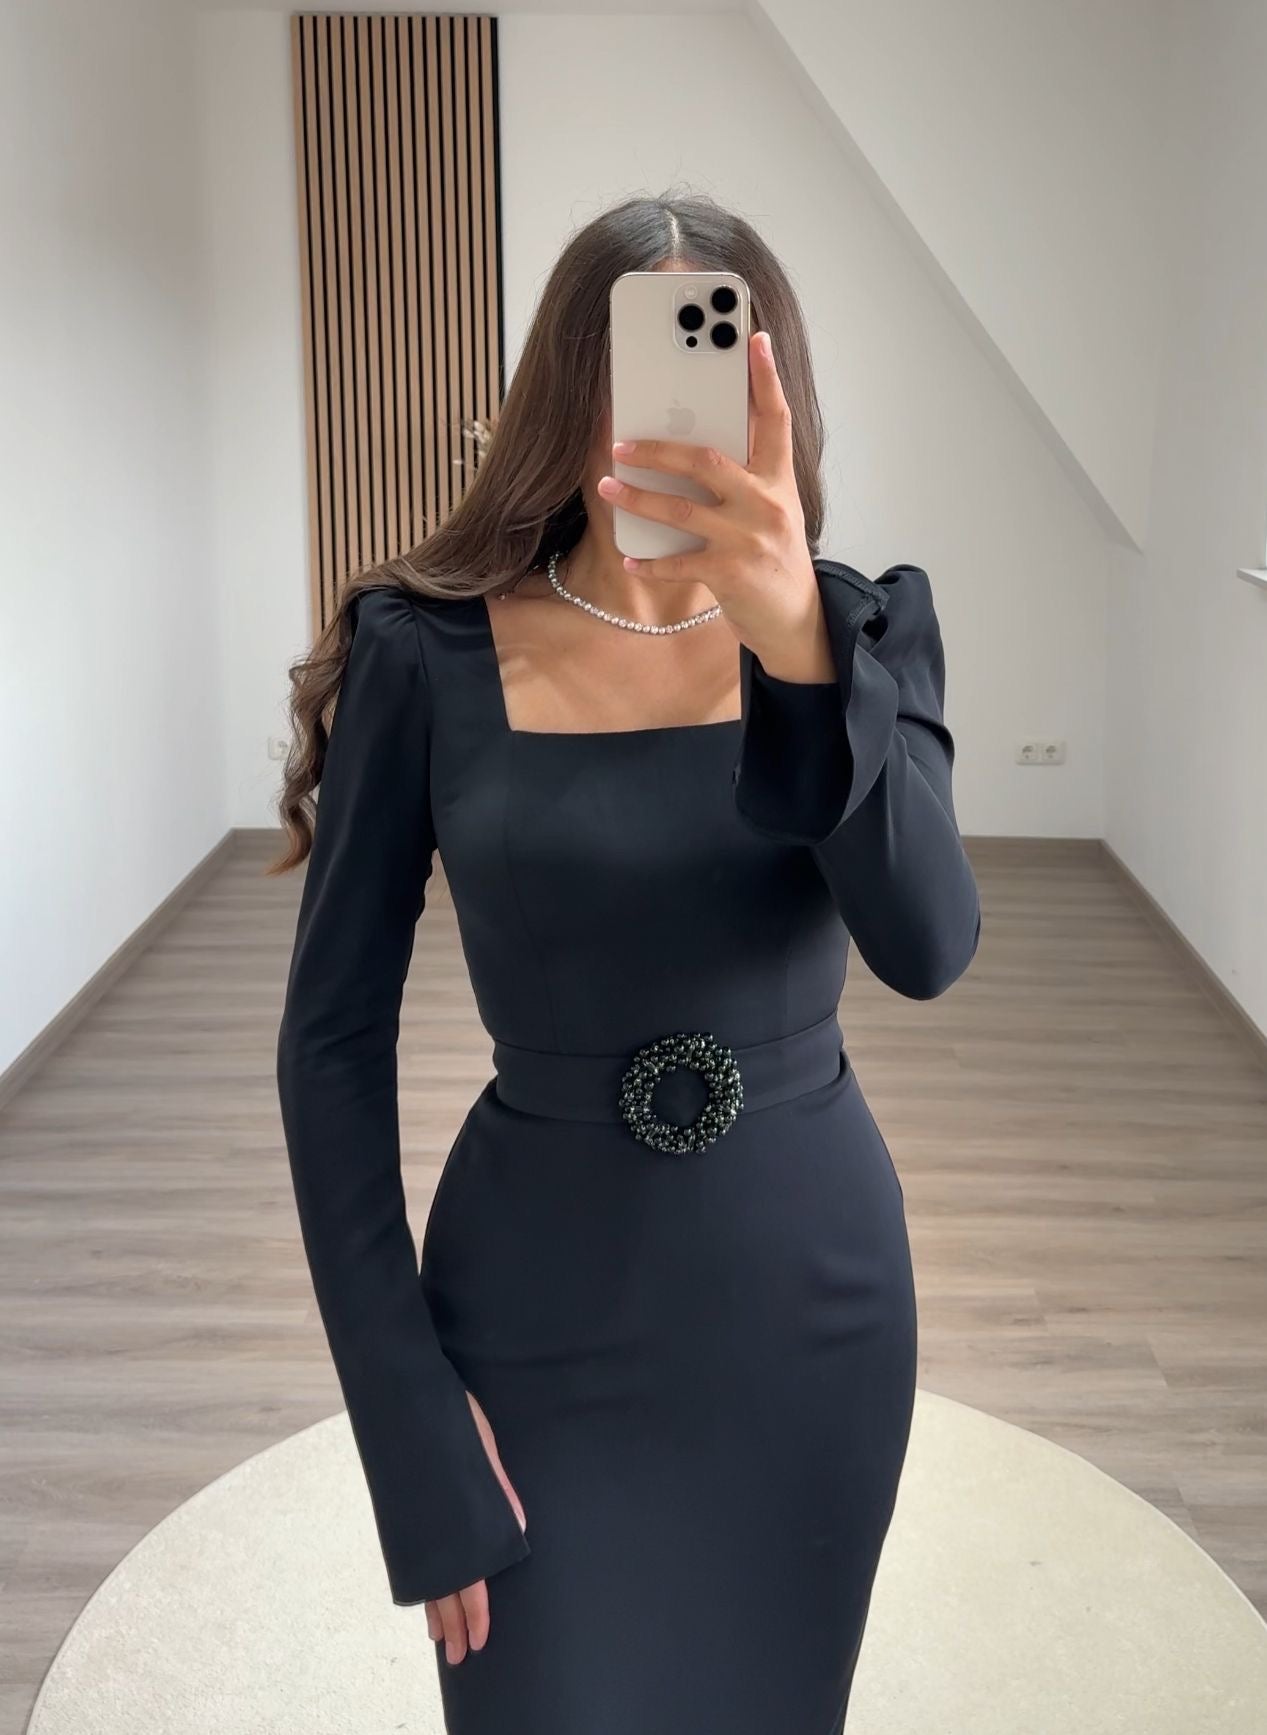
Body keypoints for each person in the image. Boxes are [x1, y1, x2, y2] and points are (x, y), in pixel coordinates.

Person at [271, 189, 981, 1734]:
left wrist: (799, 650)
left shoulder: (865, 636)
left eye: (712, 362)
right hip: (536, 1311)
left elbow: (929, 944)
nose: (666, 414)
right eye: (631, 365)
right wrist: (402, 1416)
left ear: (774, 394)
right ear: (562, 393)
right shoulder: (424, 652)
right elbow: (329, 1046)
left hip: (812, 1311)